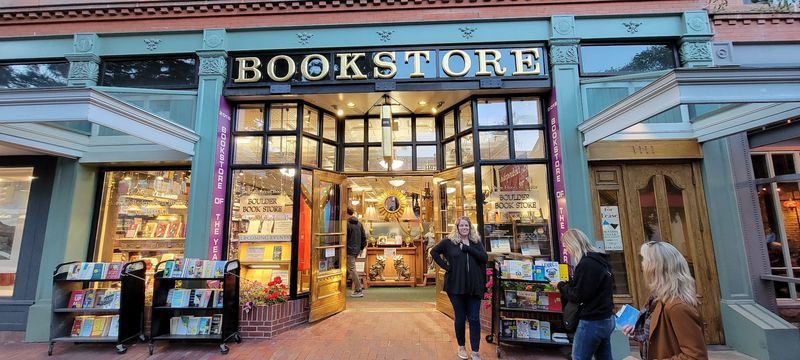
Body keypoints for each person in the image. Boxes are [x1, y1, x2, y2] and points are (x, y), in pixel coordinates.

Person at [622, 241, 708, 360]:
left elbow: (695, 357)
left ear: (657, 269)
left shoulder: (677, 307)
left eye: (645, 263)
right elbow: (663, 334)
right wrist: (638, 331)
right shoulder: (658, 299)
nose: (642, 268)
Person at [430, 216, 488, 360]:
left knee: (474, 318)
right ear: (456, 227)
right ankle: (461, 346)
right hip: (455, 286)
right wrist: (446, 267)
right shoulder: (449, 242)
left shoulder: (476, 242)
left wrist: (468, 249)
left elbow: (484, 258)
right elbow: (434, 252)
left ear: (470, 228)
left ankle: (475, 351)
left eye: (466, 226)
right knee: (460, 318)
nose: (464, 228)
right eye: (461, 226)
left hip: (474, 287)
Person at [556, 228, 614, 360]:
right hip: (605, 318)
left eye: (566, 246)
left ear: (573, 244)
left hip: (592, 320)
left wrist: (561, 286)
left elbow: (578, 295)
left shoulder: (586, 264)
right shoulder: (600, 261)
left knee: (579, 357)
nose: (566, 250)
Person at [345, 207, 367, 297]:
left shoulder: (346, 224)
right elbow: (364, 237)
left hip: (349, 250)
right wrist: (361, 248)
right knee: (347, 268)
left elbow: (344, 238)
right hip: (356, 250)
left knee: (352, 269)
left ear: (346, 213)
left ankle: (358, 290)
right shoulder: (359, 223)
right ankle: (341, 288)